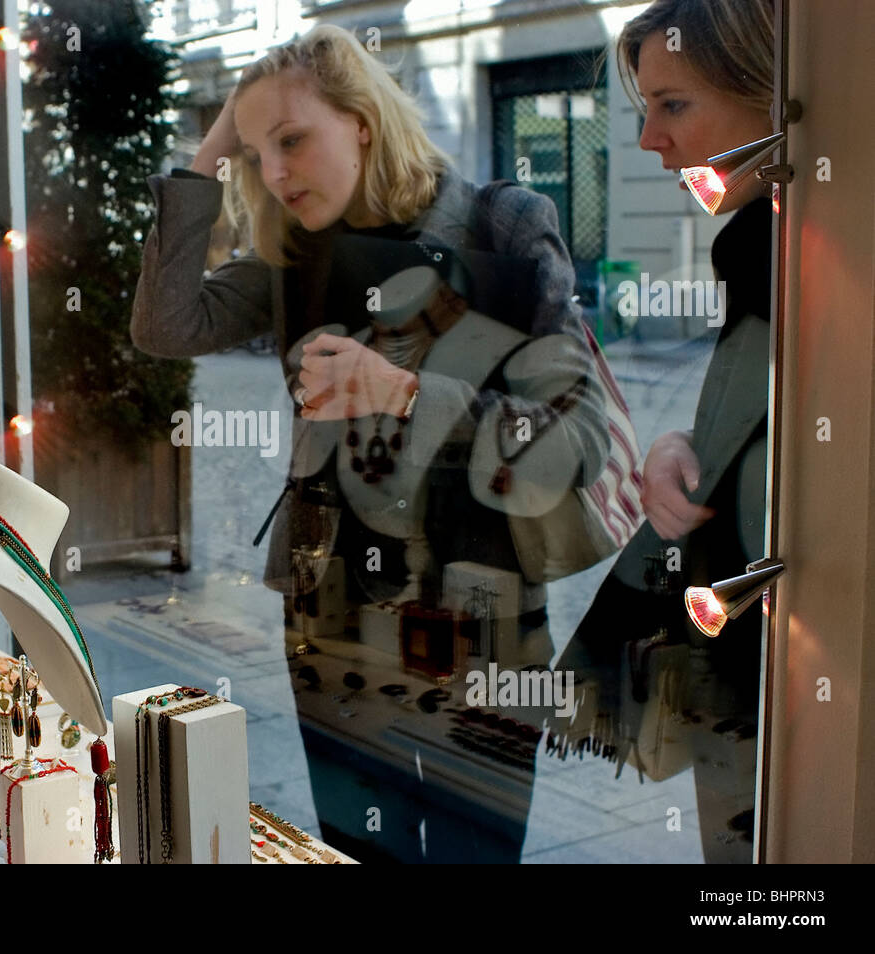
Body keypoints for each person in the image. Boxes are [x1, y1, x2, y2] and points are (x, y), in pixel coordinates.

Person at [131, 24, 611, 861]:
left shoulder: (503, 225)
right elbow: (167, 325)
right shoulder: (293, 253)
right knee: (360, 854)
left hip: (481, 626)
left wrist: (405, 390)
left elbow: (579, 438)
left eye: (292, 140)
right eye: (257, 154)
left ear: (360, 119)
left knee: (475, 854)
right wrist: (206, 157)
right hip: (332, 622)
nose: (274, 174)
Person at [553, 0, 775, 864]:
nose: (650, 142)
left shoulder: (812, 257)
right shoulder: (762, 253)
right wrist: (686, 448)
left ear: (776, 95)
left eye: (673, 105)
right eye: (647, 109)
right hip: (736, 694)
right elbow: (765, 422)